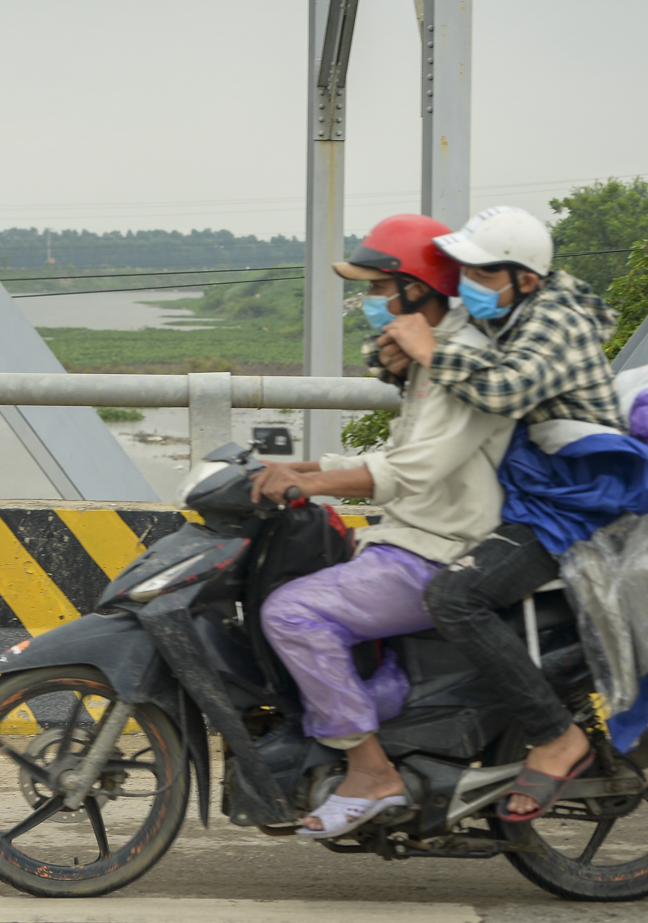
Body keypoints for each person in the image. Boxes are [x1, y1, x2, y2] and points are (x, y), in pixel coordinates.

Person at [249, 215, 513, 839]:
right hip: (406, 539)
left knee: (291, 613)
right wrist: (301, 468)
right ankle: (363, 740)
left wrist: (309, 483)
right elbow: (396, 453)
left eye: (376, 287)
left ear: (416, 289)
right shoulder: (430, 361)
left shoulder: (461, 360)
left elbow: (417, 468)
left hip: (441, 553)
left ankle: (371, 772)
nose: (370, 302)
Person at [377, 206, 630, 820]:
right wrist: (397, 352)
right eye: (463, 270)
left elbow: (504, 389)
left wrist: (431, 350)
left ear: (526, 279)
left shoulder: (556, 321)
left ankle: (555, 736)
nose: (469, 285)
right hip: (535, 491)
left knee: (455, 597)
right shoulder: (508, 309)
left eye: (485, 274)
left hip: (576, 504)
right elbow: (434, 338)